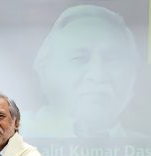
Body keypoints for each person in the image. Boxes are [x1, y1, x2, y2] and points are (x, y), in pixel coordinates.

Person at [27, 4, 141, 138]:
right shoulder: (14, 141)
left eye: (112, 60)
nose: (98, 76)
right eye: (79, 59)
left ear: (132, 77)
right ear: (46, 73)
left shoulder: (143, 146)